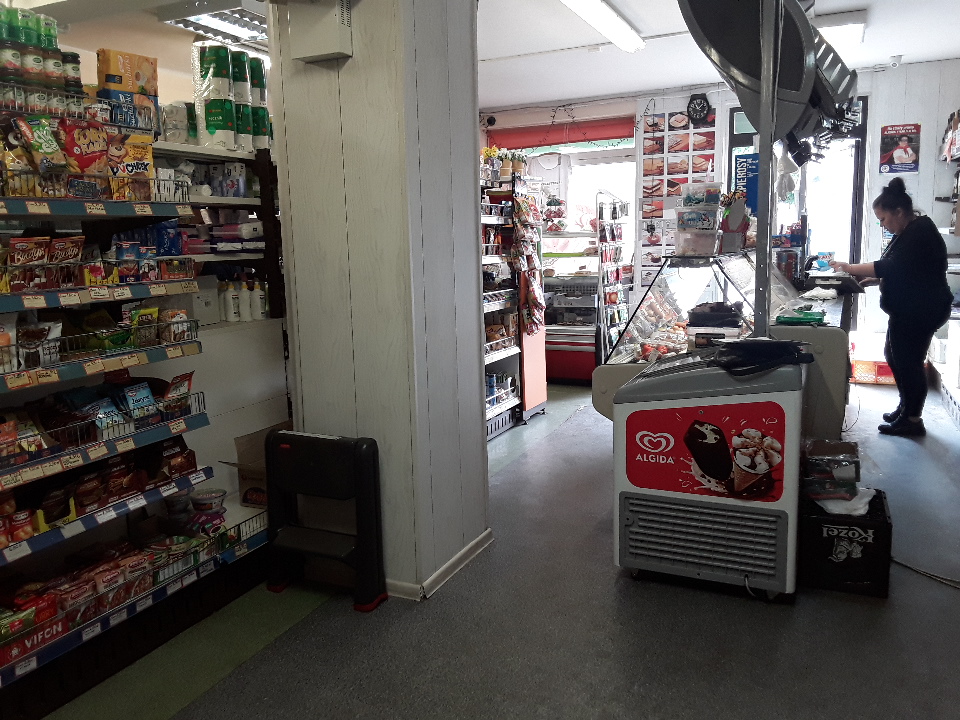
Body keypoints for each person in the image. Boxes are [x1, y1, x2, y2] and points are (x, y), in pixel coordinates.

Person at [830, 177, 951, 437]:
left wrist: (848, 267)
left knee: (909, 362)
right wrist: (877, 279)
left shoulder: (919, 232)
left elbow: (890, 266)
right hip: (909, 309)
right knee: (894, 356)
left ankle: (913, 419)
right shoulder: (908, 230)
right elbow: (906, 269)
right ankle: (906, 407)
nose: (882, 225)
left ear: (898, 212)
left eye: (883, 219)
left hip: (921, 310)